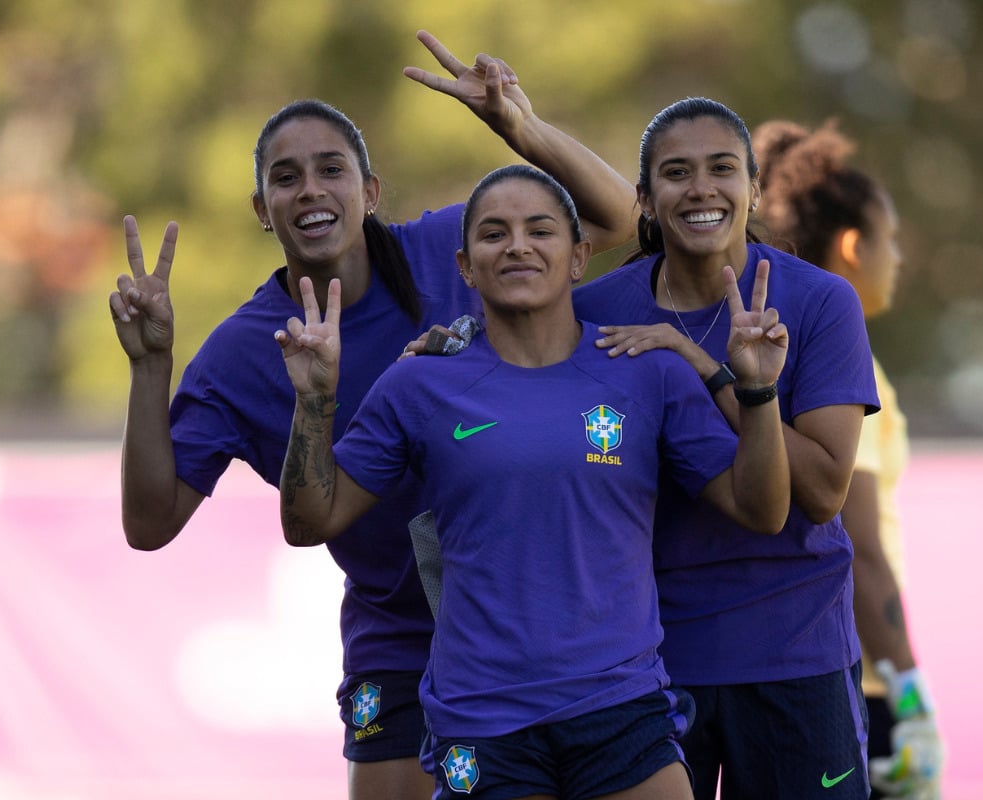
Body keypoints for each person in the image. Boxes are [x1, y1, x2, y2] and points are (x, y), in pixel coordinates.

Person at [107, 31, 638, 800]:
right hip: (400, 644)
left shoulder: (451, 255)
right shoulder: (240, 354)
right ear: (263, 209)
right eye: (286, 179)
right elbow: (149, 523)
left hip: (533, 628)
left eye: (332, 170)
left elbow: (616, 221)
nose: (311, 191)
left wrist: (520, 128)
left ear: (371, 191)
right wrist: (150, 366)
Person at [276, 164, 792, 800]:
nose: (518, 245)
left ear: (577, 259)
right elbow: (307, 524)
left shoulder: (644, 371)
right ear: (466, 267)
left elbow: (762, 510)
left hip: (621, 710)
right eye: (495, 234)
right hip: (481, 723)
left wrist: (759, 390)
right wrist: (314, 400)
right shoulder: (418, 383)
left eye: (539, 230)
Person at [571, 97, 880, 799]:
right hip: (644, 664)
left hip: (794, 655)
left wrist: (712, 371)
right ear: (645, 200)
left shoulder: (821, 302)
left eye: (721, 169)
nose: (701, 189)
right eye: (676, 173)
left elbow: (825, 492)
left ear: (755, 186)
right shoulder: (594, 313)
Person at [752, 118, 944, 799]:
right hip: (856, 678)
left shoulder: (790, 345)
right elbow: (859, 541)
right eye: (890, 241)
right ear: (855, 246)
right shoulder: (850, 363)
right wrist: (911, 696)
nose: (897, 259)